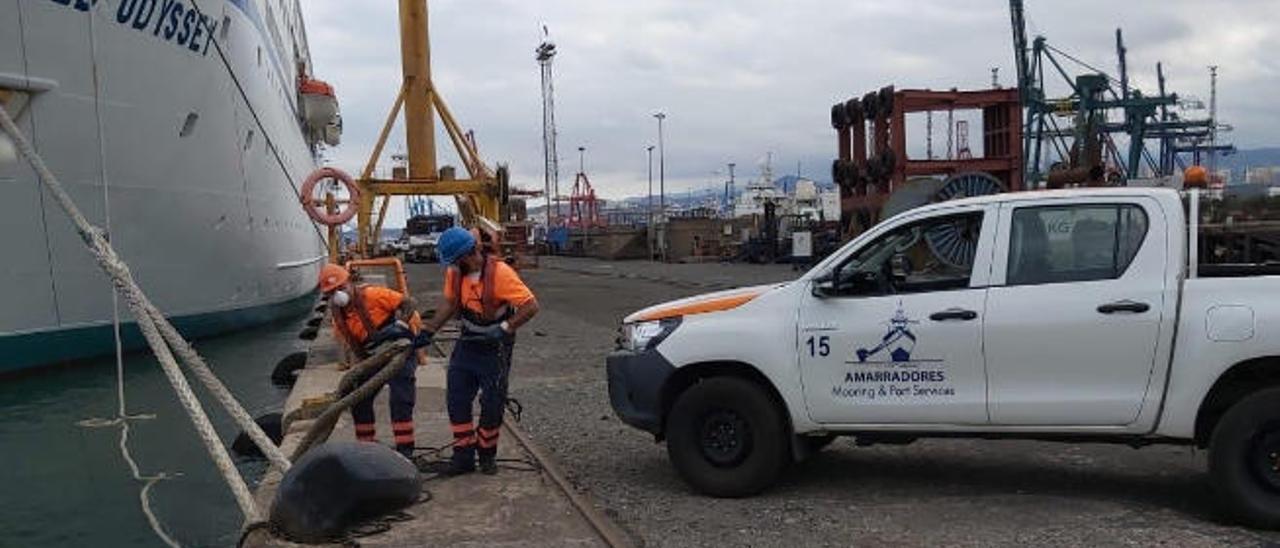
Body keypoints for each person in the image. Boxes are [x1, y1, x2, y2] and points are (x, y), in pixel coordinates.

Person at [422, 227, 540, 475]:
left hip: (495, 348)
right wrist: (428, 331)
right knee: (457, 398)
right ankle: (463, 456)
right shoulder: (455, 274)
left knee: (492, 403)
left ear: (467, 255)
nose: (452, 266)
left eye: (454, 261)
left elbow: (530, 306)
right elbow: (450, 304)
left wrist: (505, 328)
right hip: (468, 344)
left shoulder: (501, 274)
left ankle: (487, 455)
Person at [318, 263, 426, 458]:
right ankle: (366, 449)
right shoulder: (338, 319)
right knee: (359, 399)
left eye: (341, 288)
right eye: (332, 292)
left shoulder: (374, 295)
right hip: (373, 358)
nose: (338, 294)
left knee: (400, 400)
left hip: (400, 350)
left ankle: (406, 451)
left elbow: (409, 302)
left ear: (350, 283)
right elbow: (354, 348)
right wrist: (357, 373)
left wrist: (400, 324)